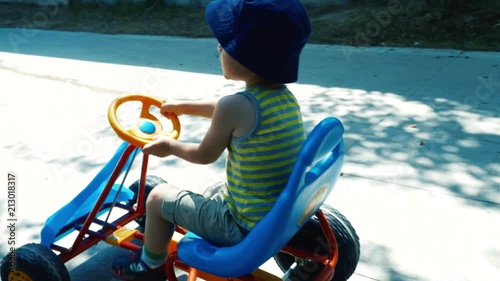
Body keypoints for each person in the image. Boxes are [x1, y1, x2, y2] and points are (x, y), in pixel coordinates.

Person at [111, 0, 311, 279]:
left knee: (156, 197)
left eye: (226, 44)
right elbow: (224, 107)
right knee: (216, 187)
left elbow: (204, 155)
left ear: (249, 56)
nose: (219, 48)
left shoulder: (236, 106)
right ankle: (182, 220)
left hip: (241, 228)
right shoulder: (283, 98)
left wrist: (169, 147)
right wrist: (183, 106)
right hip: (278, 215)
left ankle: (149, 265)